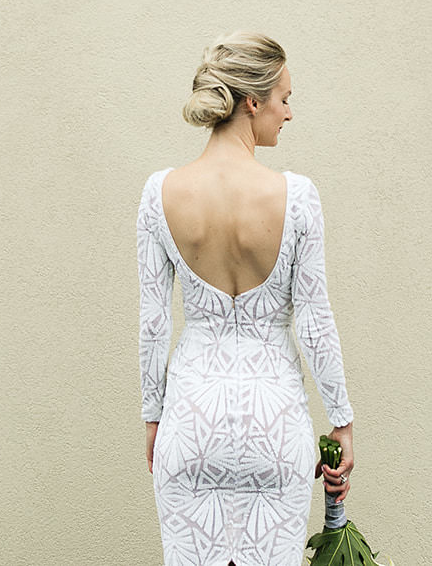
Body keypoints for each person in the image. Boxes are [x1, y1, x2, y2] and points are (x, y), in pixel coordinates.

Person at [138, 32, 355, 566]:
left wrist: (153, 417)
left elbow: (153, 323)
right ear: (252, 102)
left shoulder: (160, 192)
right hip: (274, 422)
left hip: (191, 418)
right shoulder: (297, 197)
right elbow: (314, 320)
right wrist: (341, 419)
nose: (288, 113)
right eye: (285, 98)